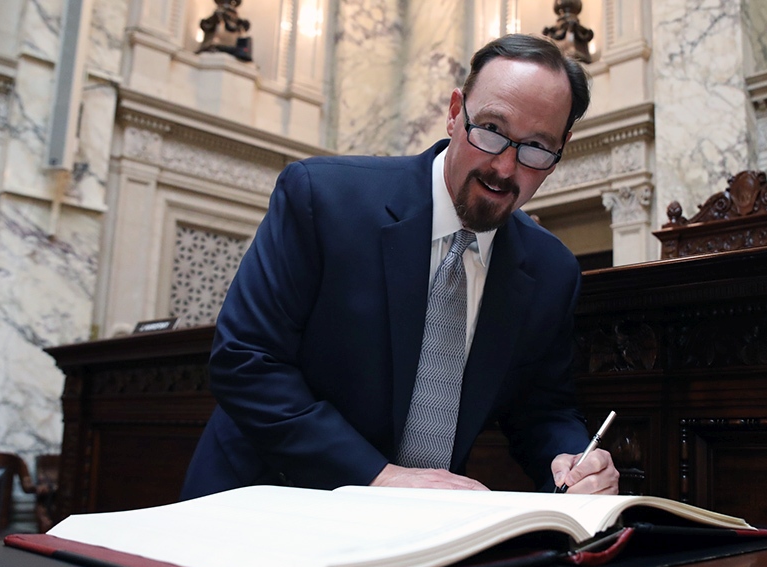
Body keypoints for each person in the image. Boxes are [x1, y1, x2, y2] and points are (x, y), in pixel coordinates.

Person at [180, 33, 619, 499]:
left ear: (561, 150)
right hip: (265, 504)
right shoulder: (322, 199)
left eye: (535, 148)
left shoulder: (552, 271)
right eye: (490, 130)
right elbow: (245, 361)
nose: (505, 168)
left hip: (422, 536)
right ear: (455, 112)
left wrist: (574, 461)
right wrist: (380, 477)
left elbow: (542, 409)